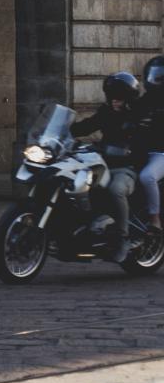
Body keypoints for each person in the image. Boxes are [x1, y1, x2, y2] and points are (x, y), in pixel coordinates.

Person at [74, 71, 147, 262]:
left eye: (120, 99)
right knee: (78, 182)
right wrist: (66, 130)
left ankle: (123, 237)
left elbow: (141, 145)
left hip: (127, 168)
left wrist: (126, 151)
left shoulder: (137, 118)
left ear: (128, 99)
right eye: (113, 98)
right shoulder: (105, 112)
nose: (115, 102)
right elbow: (88, 126)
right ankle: (86, 227)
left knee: (116, 190)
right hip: (103, 164)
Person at [136, 56, 164, 232]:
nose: (154, 81)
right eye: (153, 76)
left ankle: (155, 219)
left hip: (161, 153)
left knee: (147, 176)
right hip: (141, 151)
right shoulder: (143, 101)